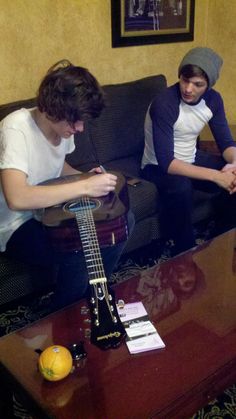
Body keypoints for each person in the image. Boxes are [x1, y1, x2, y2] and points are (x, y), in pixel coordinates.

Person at [0, 59, 134, 309]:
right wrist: (83, 187)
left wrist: (85, 177)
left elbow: (58, 167)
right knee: (79, 246)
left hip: (51, 209)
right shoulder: (15, 128)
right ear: (52, 109)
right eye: (75, 122)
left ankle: (95, 291)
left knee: (125, 220)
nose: (80, 129)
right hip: (15, 223)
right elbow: (16, 198)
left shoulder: (62, 129)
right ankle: (66, 311)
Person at [141, 47, 236, 256]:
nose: (189, 89)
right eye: (185, 80)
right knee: (181, 187)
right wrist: (216, 176)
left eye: (198, 84)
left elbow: (226, 142)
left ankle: (222, 237)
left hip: (191, 159)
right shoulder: (164, 104)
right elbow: (167, 162)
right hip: (157, 166)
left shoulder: (213, 100)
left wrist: (234, 164)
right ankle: (185, 250)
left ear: (209, 84)